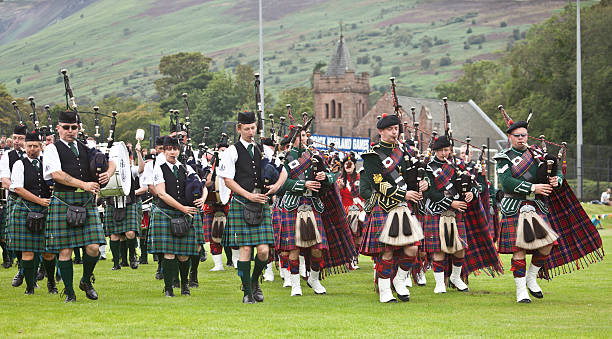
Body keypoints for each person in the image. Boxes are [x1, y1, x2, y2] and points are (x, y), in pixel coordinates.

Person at [494, 112, 603, 303]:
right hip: (514, 206)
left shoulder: (538, 153)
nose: (521, 138)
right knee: (518, 250)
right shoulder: (504, 157)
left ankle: (531, 278)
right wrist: (533, 187)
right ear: (510, 137)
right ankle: (521, 291)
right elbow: (506, 182)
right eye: (517, 136)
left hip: (537, 206)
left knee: (547, 246)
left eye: (524, 135)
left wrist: (556, 180)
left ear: (528, 135)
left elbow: (558, 171)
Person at [43, 110, 116, 302]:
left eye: (73, 127)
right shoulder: (52, 148)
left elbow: (112, 162)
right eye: (66, 127)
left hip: (85, 201)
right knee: (65, 250)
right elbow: (56, 174)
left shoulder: (87, 147)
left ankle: (85, 280)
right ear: (58, 128)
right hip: (63, 201)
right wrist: (83, 184)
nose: (70, 131)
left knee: (93, 247)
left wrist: (108, 173)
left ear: (78, 128)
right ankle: (69, 291)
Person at [217, 111, 285, 304]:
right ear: (239, 128)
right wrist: (248, 195)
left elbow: (284, 171)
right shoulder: (232, 151)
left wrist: (276, 187)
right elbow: (228, 180)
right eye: (246, 128)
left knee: (264, 251)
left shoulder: (264, 149)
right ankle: (247, 292)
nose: (250, 132)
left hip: (261, 203)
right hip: (242, 202)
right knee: (246, 249)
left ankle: (255, 282)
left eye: (253, 128)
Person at [360, 114, 427, 303]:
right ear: (381, 131)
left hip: (403, 208)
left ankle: (399, 280)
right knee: (387, 251)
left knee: (412, 249)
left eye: (396, 129)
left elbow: (412, 175)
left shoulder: (404, 152)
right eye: (390, 129)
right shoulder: (372, 156)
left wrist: (424, 183)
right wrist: (403, 195)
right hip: (385, 206)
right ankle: (384, 290)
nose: (394, 132)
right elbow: (378, 184)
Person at [149, 136, 206, 297]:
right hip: (166, 213)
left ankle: (184, 284)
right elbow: (161, 193)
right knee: (169, 253)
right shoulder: (159, 167)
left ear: (179, 150)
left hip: (184, 214)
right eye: (169, 149)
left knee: (184, 254)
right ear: (164, 151)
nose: (172, 152)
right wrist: (183, 208)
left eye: (175, 149)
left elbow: (201, 185)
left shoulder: (186, 168)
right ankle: (168, 288)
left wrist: (202, 198)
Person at [6, 131, 57, 295]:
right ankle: (29, 287)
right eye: (29, 146)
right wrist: (39, 200)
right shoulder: (19, 164)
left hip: (47, 209)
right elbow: (18, 189)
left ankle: (51, 283)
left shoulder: (48, 165)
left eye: (35, 146)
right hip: (26, 209)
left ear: (41, 147)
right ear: (25, 146)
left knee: (48, 251)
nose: (32, 149)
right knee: (27, 251)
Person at [422, 135, 472, 294]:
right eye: (441, 150)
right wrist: (451, 203)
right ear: (435, 151)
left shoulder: (458, 166)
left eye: (447, 150)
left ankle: (455, 278)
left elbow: (471, 184)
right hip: (436, 210)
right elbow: (430, 193)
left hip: (455, 212)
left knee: (460, 248)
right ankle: (439, 284)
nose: (444, 153)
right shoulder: (428, 168)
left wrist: (471, 193)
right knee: (438, 249)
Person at [105, 146, 145, 270]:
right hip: (112, 204)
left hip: (129, 203)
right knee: (114, 235)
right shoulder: (108, 169)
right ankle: (117, 263)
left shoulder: (130, 168)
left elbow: (141, 169)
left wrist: (138, 153)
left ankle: (132, 257)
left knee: (130, 233)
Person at [0, 124, 28, 286]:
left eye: (21, 139)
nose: (17, 142)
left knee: (37, 238)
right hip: (16, 199)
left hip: (35, 200)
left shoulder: (35, 154)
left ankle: (37, 269)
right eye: (15, 138)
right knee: (15, 239)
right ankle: (21, 268)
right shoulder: (7, 157)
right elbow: (5, 181)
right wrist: (20, 190)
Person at [202, 140, 229, 273]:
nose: (222, 152)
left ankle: (235, 262)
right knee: (214, 235)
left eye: (225, 150)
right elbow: (206, 184)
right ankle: (218, 264)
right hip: (212, 204)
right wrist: (212, 175)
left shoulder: (232, 165)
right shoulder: (209, 167)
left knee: (233, 233)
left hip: (228, 202)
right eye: (220, 150)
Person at [337, 152, 364, 269]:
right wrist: (337, 188)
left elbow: (364, 194)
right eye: (347, 164)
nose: (349, 166)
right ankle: (348, 258)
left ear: (354, 165)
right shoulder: (339, 180)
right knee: (348, 236)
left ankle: (354, 257)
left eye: (351, 164)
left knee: (358, 237)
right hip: (345, 210)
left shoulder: (360, 178)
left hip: (359, 209)